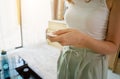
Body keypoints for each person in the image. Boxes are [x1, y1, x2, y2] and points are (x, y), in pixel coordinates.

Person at [48, 0, 120, 79]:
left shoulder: (114, 2)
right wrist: (61, 36)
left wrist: (82, 39)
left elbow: (113, 47)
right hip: (66, 58)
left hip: (91, 65)